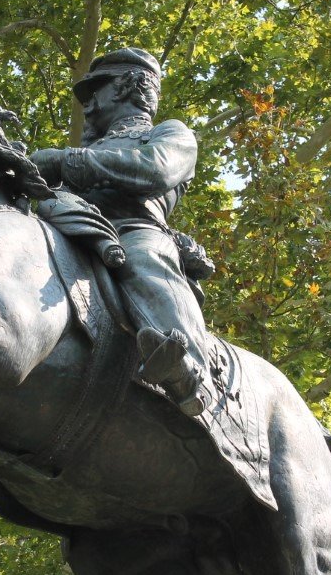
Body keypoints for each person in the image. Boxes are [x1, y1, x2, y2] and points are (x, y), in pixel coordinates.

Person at [30, 48, 216, 416]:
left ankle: (188, 370)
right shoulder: (89, 147)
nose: (88, 107)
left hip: (132, 227)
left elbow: (156, 170)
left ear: (124, 88)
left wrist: (66, 160)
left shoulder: (170, 134)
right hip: (69, 226)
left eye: (94, 92)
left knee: (144, 259)